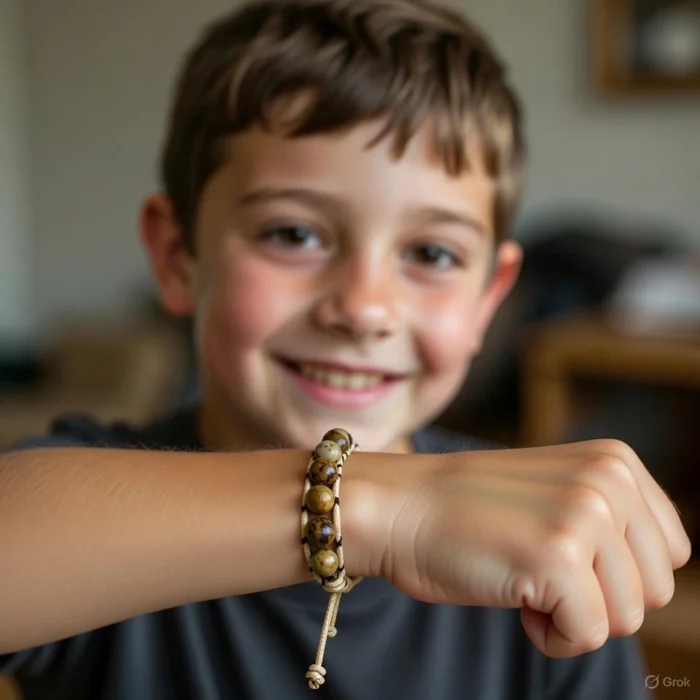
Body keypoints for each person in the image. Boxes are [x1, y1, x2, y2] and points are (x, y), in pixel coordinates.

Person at [0, 1, 690, 698]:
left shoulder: (547, 563)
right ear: (179, 257)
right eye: (294, 235)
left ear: (489, 298)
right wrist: (386, 512)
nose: (364, 308)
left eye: (431, 253)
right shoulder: (84, 503)